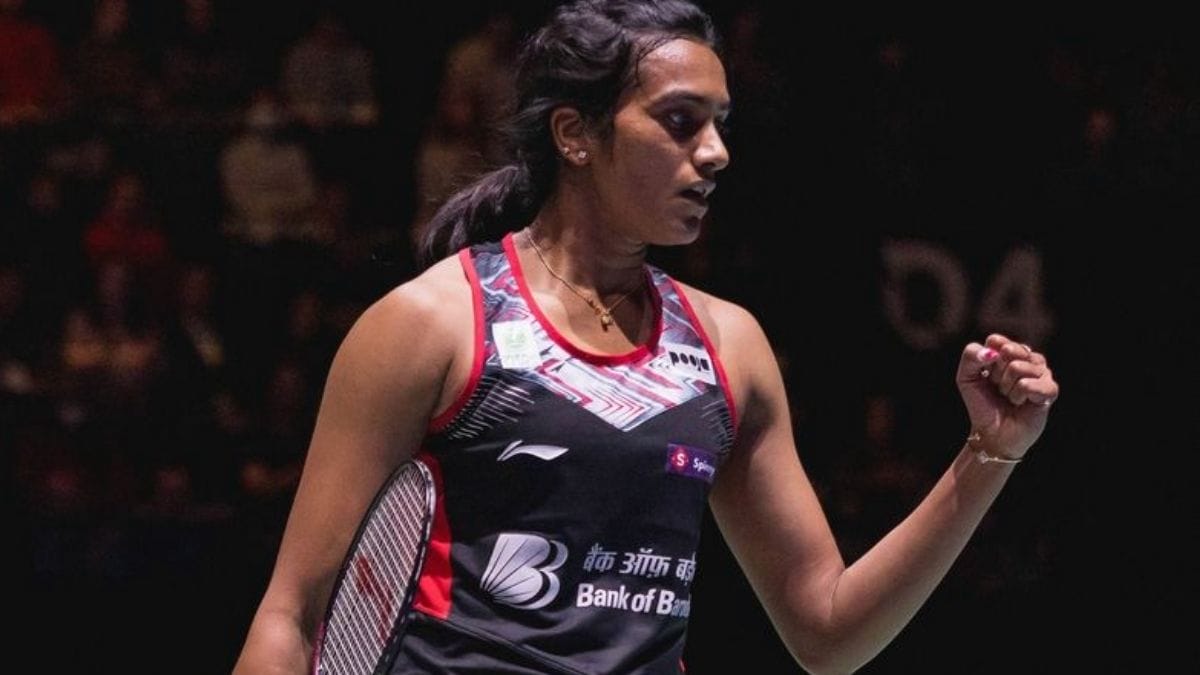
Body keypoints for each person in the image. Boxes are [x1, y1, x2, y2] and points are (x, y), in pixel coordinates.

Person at [232, 2, 1060, 673]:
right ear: (575, 135)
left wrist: (988, 455)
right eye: (679, 121)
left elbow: (829, 632)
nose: (716, 152)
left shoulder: (728, 346)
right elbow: (291, 616)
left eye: (720, 123)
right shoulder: (435, 324)